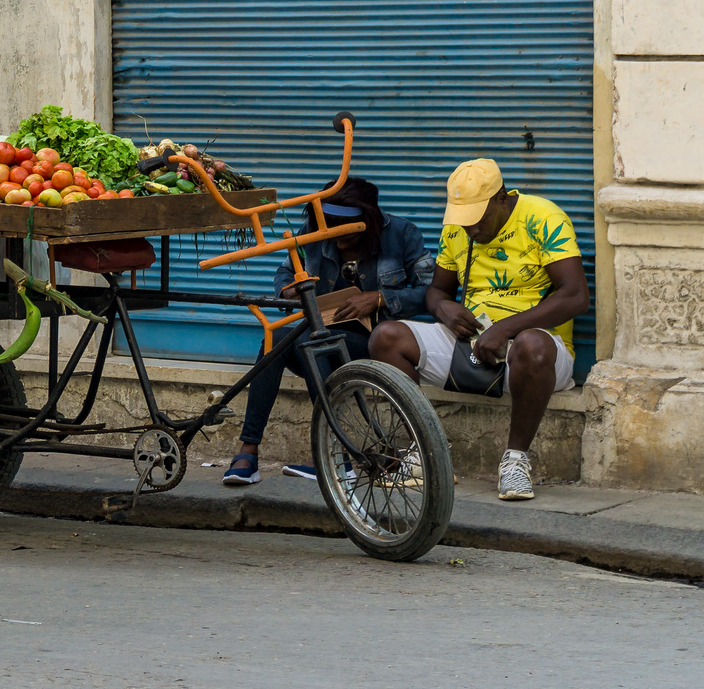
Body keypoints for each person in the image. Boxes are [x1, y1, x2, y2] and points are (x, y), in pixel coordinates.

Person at [368, 158, 589, 501]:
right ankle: (423, 453)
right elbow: (437, 291)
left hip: (539, 351)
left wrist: (505, 329)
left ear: (502, 198)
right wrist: (445, 309)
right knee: (386, 337)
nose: (470, 229)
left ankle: (515, 461)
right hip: (475, 342)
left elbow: (575, 296)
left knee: (531, 344)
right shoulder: (458, 226)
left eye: (478, 219)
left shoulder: (543, 217)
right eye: (463, 220)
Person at [222, 178, 434, 486]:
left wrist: (378, 298)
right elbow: (285, 269)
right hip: (323, 335)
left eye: (343, 228)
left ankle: (338, 453)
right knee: (276, 342)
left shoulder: (402, 234)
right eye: (329, 225)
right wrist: (288, 287)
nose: (335, 237)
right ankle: (249, 449)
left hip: (374, 342)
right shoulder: (314, 232)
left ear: (366, 222)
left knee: (311, 341)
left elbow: (432, 292)